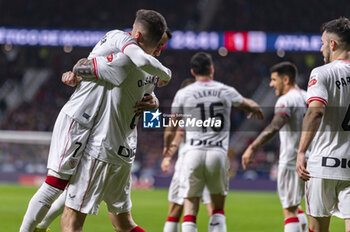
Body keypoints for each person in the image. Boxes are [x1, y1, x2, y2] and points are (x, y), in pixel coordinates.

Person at [20, 9, 171, 232]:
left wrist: (77, 71)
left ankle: (35, 227)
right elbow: (146, 104)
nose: (159, 50)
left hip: (102, 145)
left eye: (162, 46)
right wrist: (166, 77)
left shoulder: (128, 64)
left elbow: (86, 66)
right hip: (118, 146)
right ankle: (40, 225)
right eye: (159, 45)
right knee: (121, 221)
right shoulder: (137, 61)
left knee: (69, 211)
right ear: (140, 37)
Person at [163, 52, 264, 232]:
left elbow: (172, 127)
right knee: (217, 210)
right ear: (212, 69)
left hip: (192, 153)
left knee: (190, 211)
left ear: (193, 72)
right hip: (217, 154)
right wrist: (254, 108)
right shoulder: (224, 90)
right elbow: (247, 104)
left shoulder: (183, 93)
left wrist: (166, 146)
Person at [296, 17, 350, 232]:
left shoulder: (322, 73)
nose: (321, 48)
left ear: (332, 44)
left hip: (323, 165)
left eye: (322, 43)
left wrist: (301, 151)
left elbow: (315, 111)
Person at [241, 61, 308, 232]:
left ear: (286, 79)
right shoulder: (309, 97)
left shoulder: (285, 100)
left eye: (273, 80)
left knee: (290, 210)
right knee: (299, 207)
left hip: (292, 160)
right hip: (309, 161)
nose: (271, 84)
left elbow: (275, 126)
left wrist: (252, 147)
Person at [161, 78, 212, 232]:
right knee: (214, 209)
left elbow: (178, 133)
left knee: (176, 208)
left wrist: (168, 153)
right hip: (211, 159)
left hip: (188, 159)